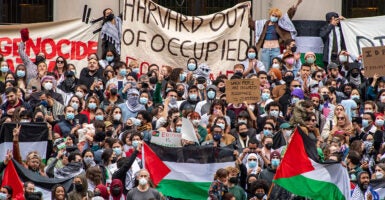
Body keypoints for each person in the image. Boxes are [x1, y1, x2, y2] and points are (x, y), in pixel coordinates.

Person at [248, 0, 301, 69]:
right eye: (273, 15)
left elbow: (289, 15)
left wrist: (296, 5)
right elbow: (251, 24)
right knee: (265, 68)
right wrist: (248, 10)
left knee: (276, 68)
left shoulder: (280, 24)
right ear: (270, 15)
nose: (274, 17)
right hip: (265, 49)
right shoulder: (263, 23)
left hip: (275, 49)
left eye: (276, 16)